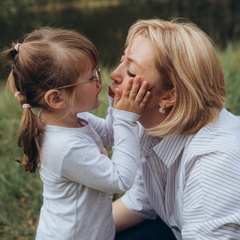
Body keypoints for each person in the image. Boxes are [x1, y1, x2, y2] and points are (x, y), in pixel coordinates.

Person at [3, 27, 150, 240]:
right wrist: (126, 119)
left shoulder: (73, 120)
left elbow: (111, 135)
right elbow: (120, 180)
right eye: (91, 78)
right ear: (56, 98)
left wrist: (115, 105)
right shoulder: (64, 147)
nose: (100, 81)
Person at [110, 18, 240, 240]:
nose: (114, 74)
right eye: (122, 61)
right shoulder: (149, 127)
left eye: (131, 72)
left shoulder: (213, 165)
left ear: (169, 96)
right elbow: (141, 201)